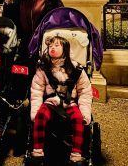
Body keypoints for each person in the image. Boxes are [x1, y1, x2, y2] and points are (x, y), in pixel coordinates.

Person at [30, 36, 92, 165]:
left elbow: (85, 92)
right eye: (51, 46)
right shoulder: (43, 68)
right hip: (51, 103)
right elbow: (36, 91)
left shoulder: (76, 69)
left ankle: (76, 154)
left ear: (65, 49)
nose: (52, 48)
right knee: (40, 115)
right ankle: (37, 152)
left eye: (57, 45)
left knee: (78, 119)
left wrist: (85, 113)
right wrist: (34, 112)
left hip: (70, 103)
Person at [3, 0, 64, 68]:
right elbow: (10, 18)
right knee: (25, 73)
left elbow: (60, 17)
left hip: (43, 41)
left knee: (42, 72)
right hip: (24, 42)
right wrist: (8, 2)